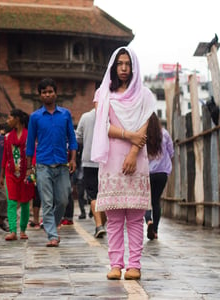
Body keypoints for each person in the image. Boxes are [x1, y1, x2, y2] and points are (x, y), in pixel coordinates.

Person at [91, 47, 156, 280]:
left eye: (128, 64)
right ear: (113, 67)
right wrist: (129, 136)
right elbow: (102, 127)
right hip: (110, 161)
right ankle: (115, 264)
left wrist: (133, 152)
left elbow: (144, 129)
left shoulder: (144, 96)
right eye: (119, 64)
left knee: (136, 218)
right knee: (115, 218)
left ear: (134, 66)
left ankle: (134, 265)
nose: (124, 68)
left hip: (136, 160)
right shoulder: (103, 94)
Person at [26, 78, 78, 247]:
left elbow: (72, 138)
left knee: (63, 200)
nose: (48, 94)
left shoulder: (65, 114)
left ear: (55, 93)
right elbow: (30, 142)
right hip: (42, 165)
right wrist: (28, 167)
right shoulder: (35, 117)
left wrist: (73, 159)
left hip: (62, 163)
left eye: (50, 91)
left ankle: (52, 225)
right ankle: (52, 235)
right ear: (40, 95)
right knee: (47, 202)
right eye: (44, 92)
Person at [0, 109, 34, 240]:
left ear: (17, 119)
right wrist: (1, 174)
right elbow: (5, 157)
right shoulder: (7, 137)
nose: (7, 121)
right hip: (10, 173)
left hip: (26, 173)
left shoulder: (30, 135)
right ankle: (13, 231)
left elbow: (33, 154)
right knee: (12, 202)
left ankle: (23, 230)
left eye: (9, 118)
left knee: (25, 202)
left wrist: (32, 171)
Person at [76, 109, 107, 238]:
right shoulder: (111, 115)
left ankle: (99, 225)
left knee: (93, 195)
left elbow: (78, 138)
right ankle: (100, 225)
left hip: (89, 161)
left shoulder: (85, 116)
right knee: (105, 195)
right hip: (107, 161)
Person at [145, 112, 174, 240]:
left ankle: (148, 221)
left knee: (146, 201)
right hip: (162, 173)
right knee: (156, 201)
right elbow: (171, 152)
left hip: (147, 174)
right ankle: (155, 230)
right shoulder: (165, 134)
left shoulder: (143, 135)